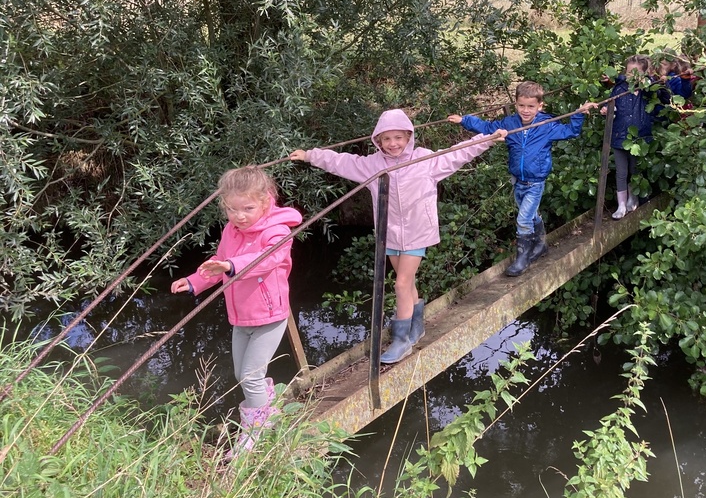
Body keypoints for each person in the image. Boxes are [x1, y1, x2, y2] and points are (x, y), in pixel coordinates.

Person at [290, 110, 505, 363]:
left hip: (417, 231)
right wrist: (310, 155)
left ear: (409, 137)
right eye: (387, 139)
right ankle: (417, 327)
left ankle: (401, 340)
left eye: (399, 138)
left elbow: (457, 153)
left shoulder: (424, 160)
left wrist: (487, 139)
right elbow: (341, 162)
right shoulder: (372, 165)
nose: (393, 144)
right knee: (408, 283)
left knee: (401, 284)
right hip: (389, 233)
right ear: (378, 141)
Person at [171, 166, 301, 456]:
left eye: (247, 208)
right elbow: (220, 261)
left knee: (249, 376)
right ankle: (267, 408)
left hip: (269, 316)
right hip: (241, 315)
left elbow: (266, 259)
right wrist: (194, 280)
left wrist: (230, 266)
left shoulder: (278, 231)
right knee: (243, 373)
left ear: (266, 202)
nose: (239, 216)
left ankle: (255, 432)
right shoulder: (233, 230)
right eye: (232, 209)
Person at [448, 82, 598, 277]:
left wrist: (578, 113)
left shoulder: (546, 125)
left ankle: (522, 259)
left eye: (530, 106)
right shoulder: (510, 124)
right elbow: (487, 127)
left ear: (540, 106)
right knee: (531, 215)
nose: (525, 111)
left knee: (523, 219)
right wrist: (464, 120)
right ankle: (541, 244)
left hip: (536, 182)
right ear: (516, 104)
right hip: (517, 180)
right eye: (521, 106)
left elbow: (570, 131)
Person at [603, 55, 668, 219]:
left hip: (639, 138)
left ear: (645, 74)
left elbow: (665, 99)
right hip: (619, 136)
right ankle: (621, 205)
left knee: (635, 170)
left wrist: (661, 83)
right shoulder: (619, 88)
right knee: (621, 172)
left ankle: (634, 198)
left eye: (636, 73)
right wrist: (606, 109)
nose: (631, 76)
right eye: (629, 72)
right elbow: (610, 102)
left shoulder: (648, 91)